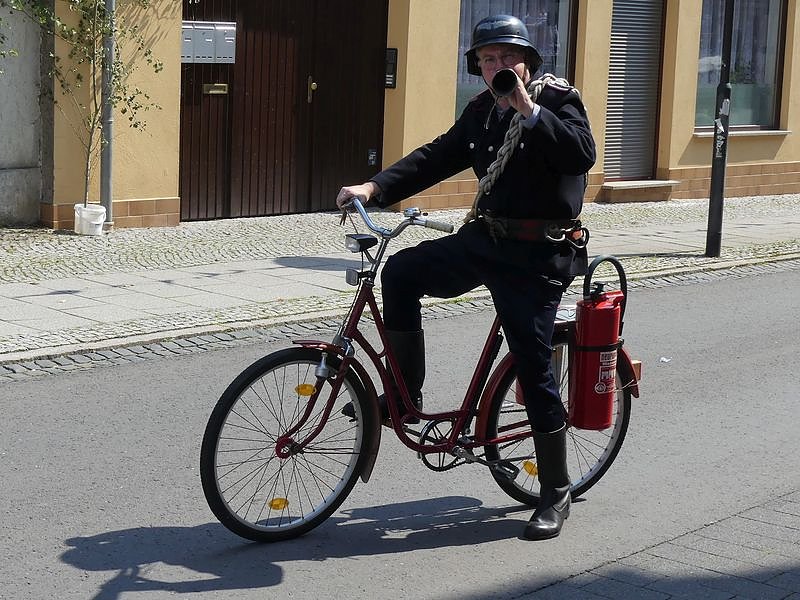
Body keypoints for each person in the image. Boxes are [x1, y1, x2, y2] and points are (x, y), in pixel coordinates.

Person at [336, 14, 595, 541]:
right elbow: (438, 156)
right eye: (487, 60)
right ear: (478, 68)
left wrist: (529, 109)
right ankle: (404, 394)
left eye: (506, 58)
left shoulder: (558, 99)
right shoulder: (480, 111)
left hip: (536, 256)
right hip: (487, 241)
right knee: (403, 272)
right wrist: (374, 187)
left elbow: (581, 154)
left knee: (531, 358)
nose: (498, 67)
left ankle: (556, 490)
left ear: (527, 61)